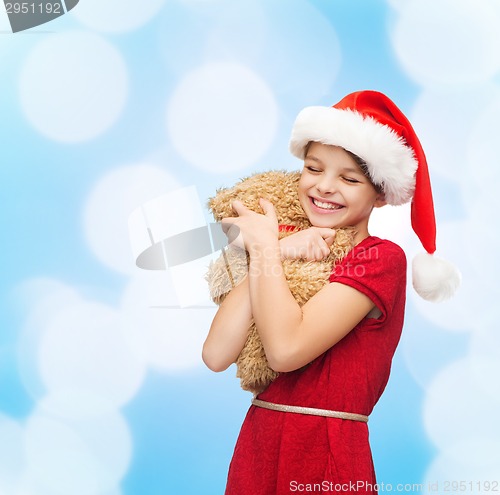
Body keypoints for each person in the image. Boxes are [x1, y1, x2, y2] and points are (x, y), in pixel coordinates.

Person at [202, 90, 460, 494]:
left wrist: (266, 249)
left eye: (349, 178)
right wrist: (280, 249)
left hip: (325, 454)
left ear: (378, 193)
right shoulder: (289, 249)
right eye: (313, 168)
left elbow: (286, 351)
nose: (323, 187)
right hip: (259, 444)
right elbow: (216, 354)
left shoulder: (379, 259)